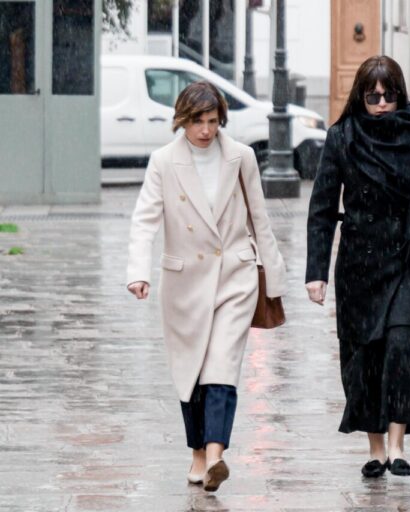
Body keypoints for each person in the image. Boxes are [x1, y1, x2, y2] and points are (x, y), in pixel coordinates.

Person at [305, 55, 410, 478]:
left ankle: (397, 445)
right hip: (359, 264)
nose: (380, 104)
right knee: (365, 357)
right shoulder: (343, 137)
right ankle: (375, 449)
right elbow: (322, 208)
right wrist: (316, 272)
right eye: (372, 96)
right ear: (360, 97)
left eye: (388, 95)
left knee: (401, 346)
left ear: (400, 94)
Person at [125, 81, 286, 492]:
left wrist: (274, 278)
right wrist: (138, 271)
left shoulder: (241, 156)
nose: (206, 130)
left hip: (235, 274)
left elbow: (259, 218)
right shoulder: (163, 161)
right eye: (197, 121)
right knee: (191, 371)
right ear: (182, 120)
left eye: (213, 121)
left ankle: (215, 455)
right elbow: (144, 220)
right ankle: (198, 454)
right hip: (184, 283)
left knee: (221, 366)